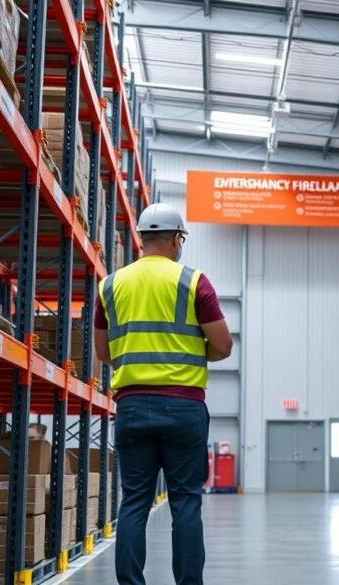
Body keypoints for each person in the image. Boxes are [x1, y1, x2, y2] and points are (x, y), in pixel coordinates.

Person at [94, 203, 233, 585]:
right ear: (177, 238)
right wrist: (187, 350)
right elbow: (222, 346)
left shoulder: (109, 285)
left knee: (134, 502)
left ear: (141, 239)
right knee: (185, 502)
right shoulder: (193, 281)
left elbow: (104, 352)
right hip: (183, 407)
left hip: (132, 407)